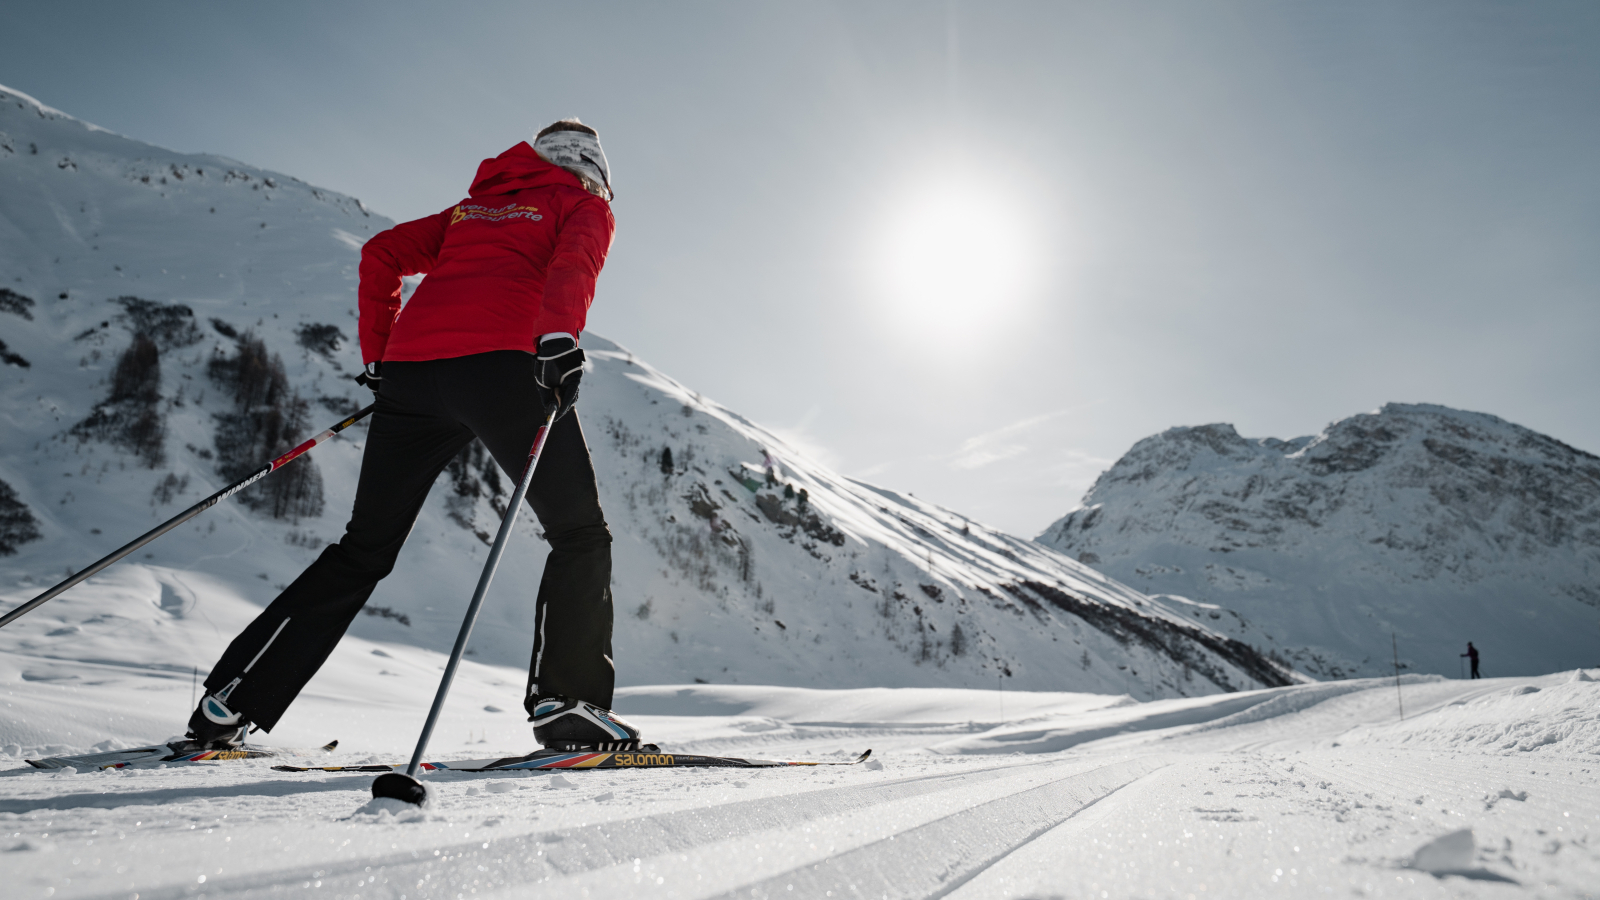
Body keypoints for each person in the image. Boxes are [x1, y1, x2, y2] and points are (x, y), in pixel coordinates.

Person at [182, 118, 643, 753]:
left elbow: (382, 254)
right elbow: (574, 262)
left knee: (363, 548)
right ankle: (568, 705)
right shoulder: (581, 202)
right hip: (507, 368)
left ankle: (232, 698)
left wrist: (381, 356)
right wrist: (558, 339)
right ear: (595, 168)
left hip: (413, 376)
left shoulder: (470, 212)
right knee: (579, 533)